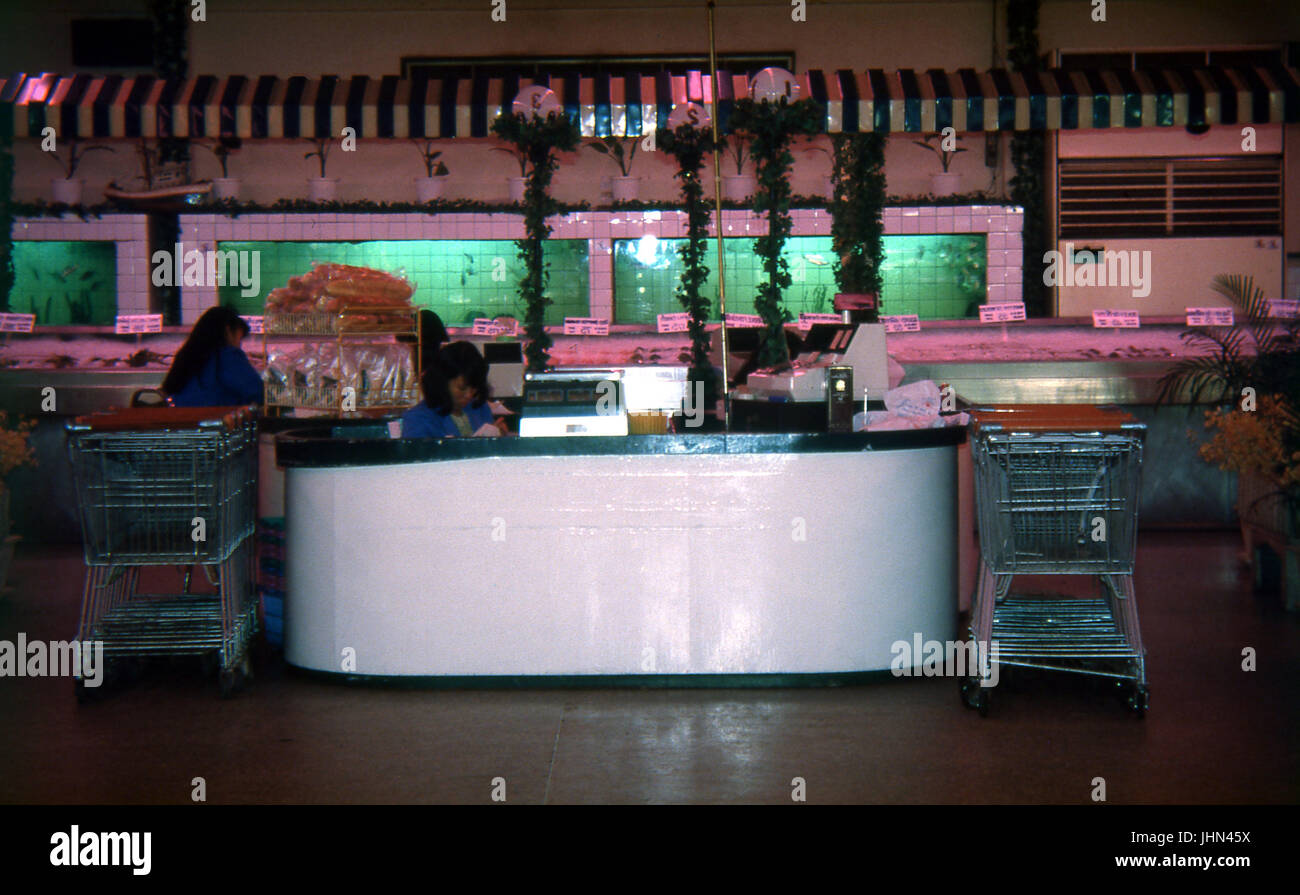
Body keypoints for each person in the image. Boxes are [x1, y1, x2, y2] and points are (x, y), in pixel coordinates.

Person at [162, 306, 264, 407]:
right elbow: (259, 393)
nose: (239, 346)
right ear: (228, 330)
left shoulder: (186, 357)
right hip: (216, 420)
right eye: (239, 340)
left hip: (180, 420)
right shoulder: (227, 357)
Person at [401, 340, 507, 437]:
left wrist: (499, 437)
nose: (469, 395)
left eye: (474, 387)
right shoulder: (418, 419)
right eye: (462, 388)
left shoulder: (479, 408)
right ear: (442, 382)